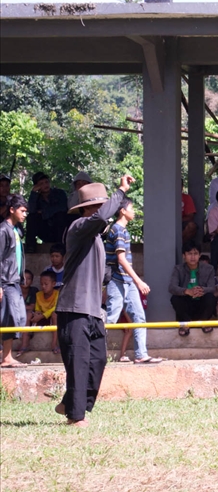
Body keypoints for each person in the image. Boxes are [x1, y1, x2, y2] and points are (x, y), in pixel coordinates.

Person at [55, 175, 133, 426]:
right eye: (101, 208)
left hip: (92, 311)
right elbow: (100, 218)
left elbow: (103, 272)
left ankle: (70, 402)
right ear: (89, 210)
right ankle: (75, 416)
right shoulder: (78, 227)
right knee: (78, 363)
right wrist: (120, 191)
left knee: (98, 359)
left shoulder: (97, 239)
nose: (106, 214)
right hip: (74, 308)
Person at [104, 198, 160, 364]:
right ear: (123, 211)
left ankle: (141, 354)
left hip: (127, 281)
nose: (134, 211)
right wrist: (139, 281)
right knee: (111, 318)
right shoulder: (118, 230)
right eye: (131, 208)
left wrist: (134, 281)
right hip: (117, 280)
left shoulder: (122, 230)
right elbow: (121, 259)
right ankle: (94, 352)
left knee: (139, 317)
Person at [1, 194, 29, 368]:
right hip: (5, 281)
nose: (25, 214)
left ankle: (7, 356)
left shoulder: (17, 231)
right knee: (10, 318)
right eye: (22, 211)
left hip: (15, 281)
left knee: (19, 317)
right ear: (12, 210)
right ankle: (6, 357)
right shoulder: (3, 231)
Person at [169, 242, 218, 336]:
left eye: (195, 254)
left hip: (201, 302)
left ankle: (204, 322)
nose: (192, 257)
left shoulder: (209, 268)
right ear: (184, 256)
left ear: (199, 255)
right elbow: (172, 287)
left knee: (211, 297)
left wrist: (202, 290)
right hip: (187, 304)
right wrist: (187, 291)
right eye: (189, 254)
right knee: (175, 298)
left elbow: (212, 288)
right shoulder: (178, 269)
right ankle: (186, 324)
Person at [25, 172, 69, 251]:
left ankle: (60, 246)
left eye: (46, 182)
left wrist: (43, 213)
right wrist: (33, 193)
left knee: (60, 215)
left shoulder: (59, 193)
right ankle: (30, 246)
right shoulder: (37, 198)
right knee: (31, 217)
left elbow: (63, 207)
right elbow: (31, 211)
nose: (45, 185)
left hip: (60, 230)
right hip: (45, 231)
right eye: (41, 183)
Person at [29, 270, 59, 355]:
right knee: (29, 315)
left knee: (55, 315)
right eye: (41, 284)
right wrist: (37, 314)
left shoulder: (57, 294)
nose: (43, 286)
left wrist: (42, 316)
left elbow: (55, 308)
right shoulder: (38, 294)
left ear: (53, 284)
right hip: (41, 317)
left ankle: (54, 344)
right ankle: (26, 341)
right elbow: (37, 308)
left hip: (50, 318)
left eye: (46, 284)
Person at [14, 269, 39, 357]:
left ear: (32, 281)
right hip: (17, 314)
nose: (25, 280)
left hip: (30, 315)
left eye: (28, 278)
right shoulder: (14, 290)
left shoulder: (33, 290)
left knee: (28, 315)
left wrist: (20, 308)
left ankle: (24, 344)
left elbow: (32, 307)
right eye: (23, 278)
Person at [181, 178, 198, 245]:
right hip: (166, 224)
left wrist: (177, 220)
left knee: (192, 226)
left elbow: (190, 216)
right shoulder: (165, 198)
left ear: (182, 187)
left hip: (182, 223)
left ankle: (180, 244)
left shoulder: (186, 198)